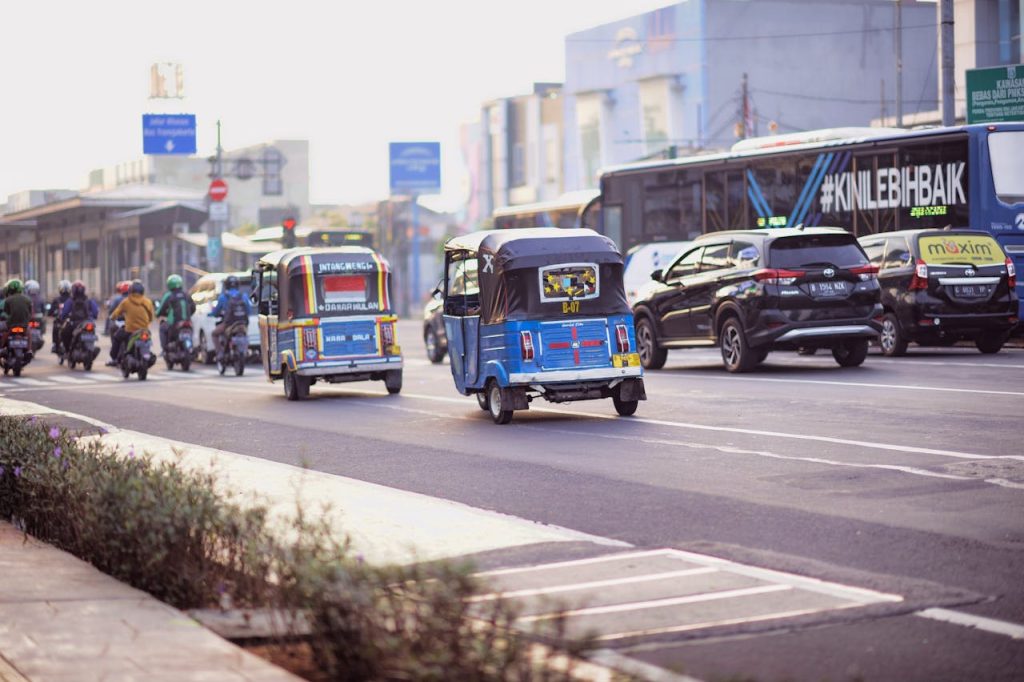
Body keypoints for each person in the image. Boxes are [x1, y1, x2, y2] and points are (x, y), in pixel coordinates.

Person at [107, 279, 155, 366]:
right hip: (144, 330)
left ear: (131, 291)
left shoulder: (126, 302)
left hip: (129, 330)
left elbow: (116, 313)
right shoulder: (148, 302)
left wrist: (112, 318)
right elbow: (151, 316)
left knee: (117, 338)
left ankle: (114, 357)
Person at [209, 275, 251, 361]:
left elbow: (216, 312)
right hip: (242, 324)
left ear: (226, 285)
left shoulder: (223, 297)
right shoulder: (244, 296)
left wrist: (211, 314)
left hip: (228, 324)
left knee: (214, 334)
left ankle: (220, 353)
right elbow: (249, 311)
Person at [155, 274, 195, 353]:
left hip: (174, 324)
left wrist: (159, 314)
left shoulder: (168, 295)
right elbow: (193, 308)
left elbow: (160, 311)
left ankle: (164, 350)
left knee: (162, 328)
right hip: (188, 322)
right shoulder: (186, 295)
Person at [59, 281, 100, 355]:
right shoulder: (89, 300)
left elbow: (64, 313)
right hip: (88, 323)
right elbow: (95, 312)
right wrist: (93, 317)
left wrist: (62, 318)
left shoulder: (70, 301)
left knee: (64, 333)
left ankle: (67, 351)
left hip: (75, 324)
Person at [0, 279, 33, 346]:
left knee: (4, 332)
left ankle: (1, 347)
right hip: (24, 324)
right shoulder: (28, 299)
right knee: (29, 334)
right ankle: (29, 349)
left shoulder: (8, 300)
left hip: (10, 324)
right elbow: (30, 312)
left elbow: (6, 312)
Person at [49, 280, 72, 352]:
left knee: (56, 326)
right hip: (68, 320)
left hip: (62, 320)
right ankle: (56, 344)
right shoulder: (72, 299)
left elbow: (50, 312)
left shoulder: (57, 300)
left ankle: (55, 344)